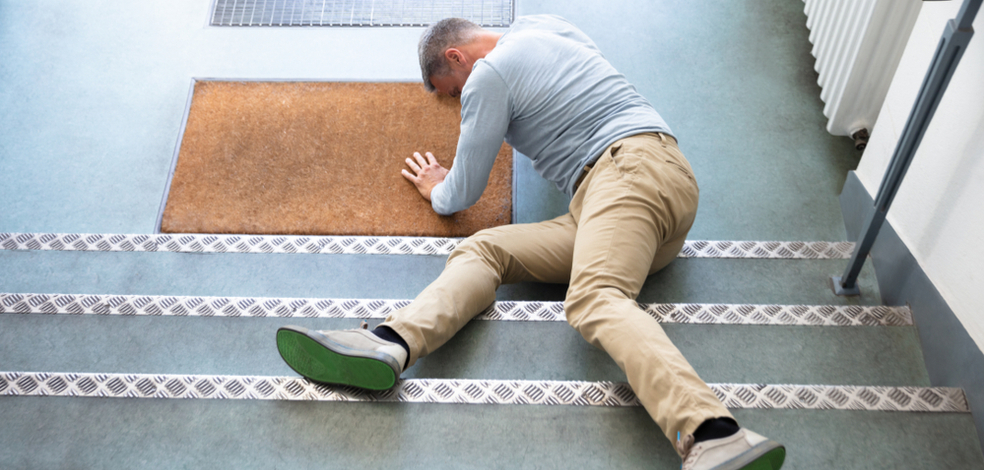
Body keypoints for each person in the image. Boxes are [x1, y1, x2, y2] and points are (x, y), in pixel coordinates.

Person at [276, 15, 785, 470]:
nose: (457, 102)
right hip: (642, 200)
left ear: (456, 57)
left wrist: (435, 185)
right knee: (483, 250)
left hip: (625, 171)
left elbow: (461, 193)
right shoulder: (548, 26)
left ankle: (714, 434)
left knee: (596, 299)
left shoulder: (489, 75)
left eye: (450, 91)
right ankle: (390, 342)